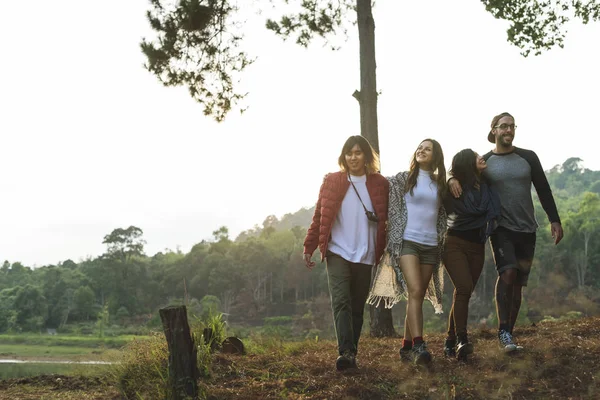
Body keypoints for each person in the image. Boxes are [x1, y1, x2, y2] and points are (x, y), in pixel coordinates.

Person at [449, 112, 563, 352]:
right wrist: (450, 179)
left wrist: (554, 220)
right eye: (503, 126)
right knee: (508, 273)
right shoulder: (485, 161)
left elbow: (543, 189)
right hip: (501, 228)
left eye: (512, 126)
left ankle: (509, 334)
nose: (508, 130)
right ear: (494, 131)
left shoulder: (528, 157)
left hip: (527, 228)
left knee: (518, 281)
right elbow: (458, 169)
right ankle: (502, 332)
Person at [303, 135, 389, 371]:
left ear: (366, 156)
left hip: (366, 252)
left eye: (358, 152)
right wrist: (309, 246)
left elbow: (388, 217)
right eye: (349, 153)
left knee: (356, 305)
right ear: (343, 156)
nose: (353, 157)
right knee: (341, 301)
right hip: (337, 251)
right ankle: (346, 352)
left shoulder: (380, 184)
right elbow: (320, 216)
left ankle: (352, 351)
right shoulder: (333, 181)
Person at [368, 139, 447, 365]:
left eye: (427, 149)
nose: (421, 151)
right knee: (414, 289)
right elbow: (379, 183)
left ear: (436, 156)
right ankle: (419, 345)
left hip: (431, 245)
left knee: (417, 295)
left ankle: (406, 346)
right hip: (407, 242)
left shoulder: (439, 183)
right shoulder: (403, 179)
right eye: (419, 148)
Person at [442, 149, 501, 361]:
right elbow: (439, 177)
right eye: (476, 156)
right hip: (454, 244)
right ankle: (462, 340)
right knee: (464, 288)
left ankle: (450, 340)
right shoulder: (454, 189)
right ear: (468, 163)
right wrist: (450, 179)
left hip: (477, 245)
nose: (481, 157)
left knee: (463, 292)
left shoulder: (486, 186)